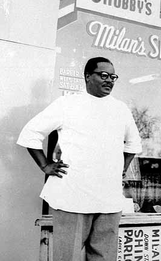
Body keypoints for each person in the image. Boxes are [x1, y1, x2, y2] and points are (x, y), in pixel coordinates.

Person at [17, 57, 142, 261]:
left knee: (103, 257)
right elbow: (31, 133)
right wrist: (45, 165)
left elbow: (133, 145)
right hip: (73, 196)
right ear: (87, 77)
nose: (109, 80)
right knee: (67, 257)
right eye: (103, 75)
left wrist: (120, 168)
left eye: (113, 77)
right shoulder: (68, 103)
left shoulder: (121, 109)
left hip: (108, 199)